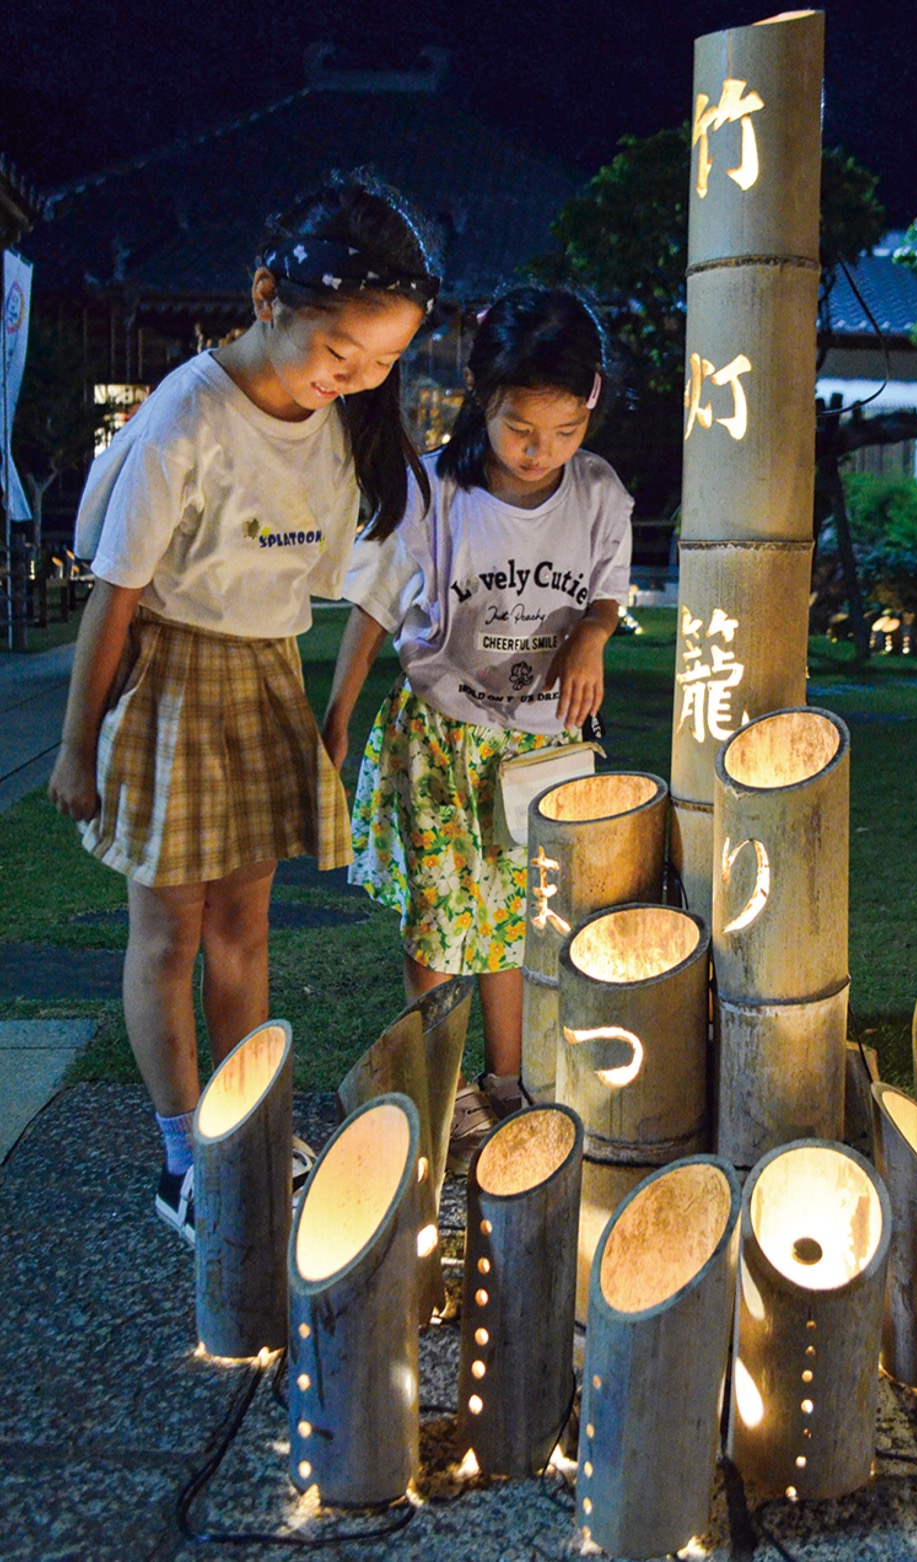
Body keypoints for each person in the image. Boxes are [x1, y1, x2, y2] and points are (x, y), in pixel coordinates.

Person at [48, 169, 440, 1245]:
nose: (353, 380)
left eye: (382, 362)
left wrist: (332, 710)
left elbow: (334, 580)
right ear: (268, 295)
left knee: (245, 932)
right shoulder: (188, 415)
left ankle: (248, 1121)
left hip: (265, 673)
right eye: (337, 352)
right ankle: (183, 1153)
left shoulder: (338, 422)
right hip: (169, 674)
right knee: (168, 931)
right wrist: (77, 747)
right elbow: (114, 595)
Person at [322, 285, 633, 1171]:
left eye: (566, 431)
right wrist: (336, 718)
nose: (542, 453)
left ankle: (511, 1084)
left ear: (593, 400)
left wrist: (594, 633)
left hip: (543, 748)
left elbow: (607, 587)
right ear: (479, 396)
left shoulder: (599, 493)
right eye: (520, 430)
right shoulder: (431, 489)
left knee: (516, 924)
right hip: (444, 737)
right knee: (437, 923)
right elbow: (374, 607)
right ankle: (440, 1089)